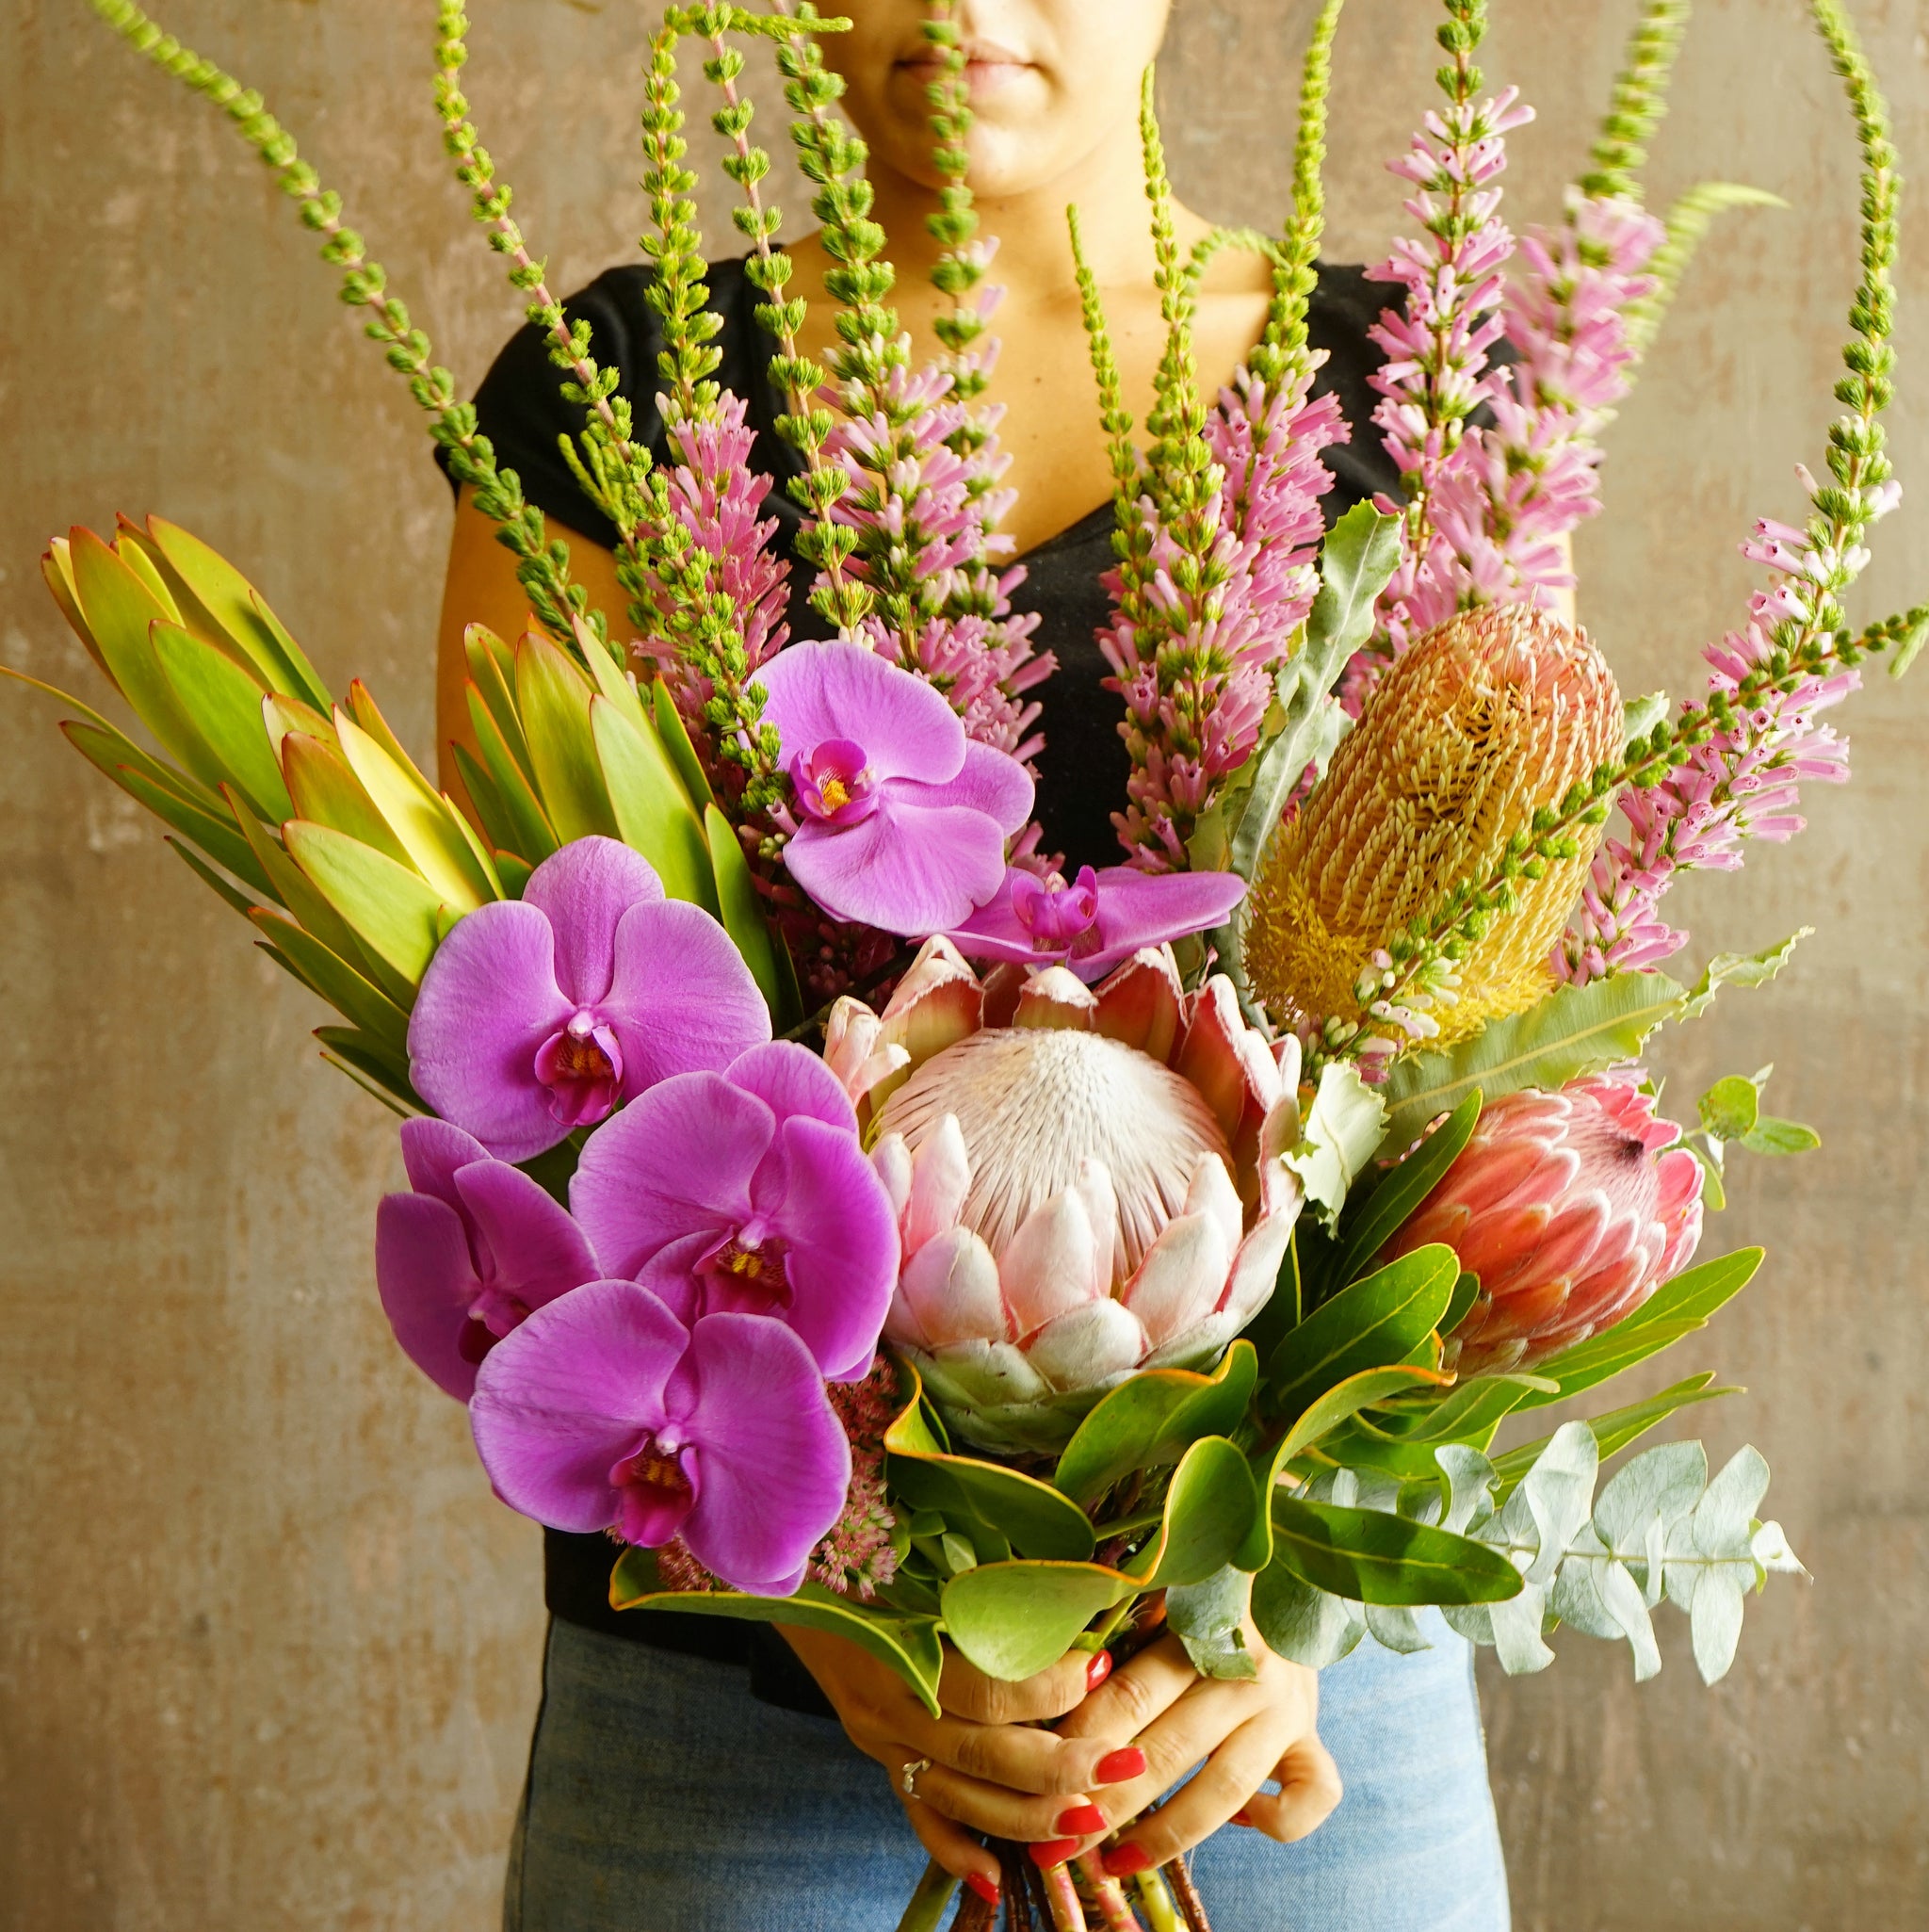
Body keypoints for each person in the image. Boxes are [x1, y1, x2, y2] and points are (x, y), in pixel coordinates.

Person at [437, 5, 1514, 1927]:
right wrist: (845, 1607)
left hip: (1264, 1714)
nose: (965, 9)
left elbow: (1491, 1060)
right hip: (742, 1670)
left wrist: (1274, 1616)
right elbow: (524, 1085)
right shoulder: (614, 395)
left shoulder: (1415, 396)